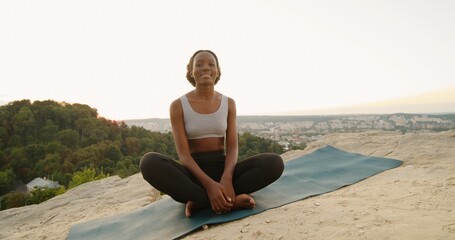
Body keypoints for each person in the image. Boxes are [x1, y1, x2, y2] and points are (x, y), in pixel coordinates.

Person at [140, 50, 284, 217]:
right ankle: (229, 201)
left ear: (218, 71)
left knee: (274, 163)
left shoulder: (229, 103)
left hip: (224, 170)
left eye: (211, 64)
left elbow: (232, 148)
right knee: (149, 162)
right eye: (199, 65)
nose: (205, 68)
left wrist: (227, 178)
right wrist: (209, 185)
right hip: (193, 176)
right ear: (191, 71)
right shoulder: (178, 105)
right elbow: (184, 156)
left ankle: (201, 203)